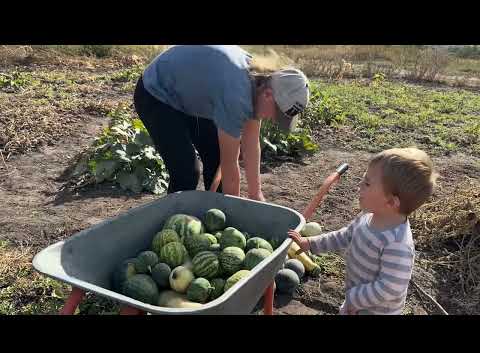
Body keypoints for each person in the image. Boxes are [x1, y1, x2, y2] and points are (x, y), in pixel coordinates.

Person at [133, 45, 309, 200]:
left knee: (215, 159)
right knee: (186, 173)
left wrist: (256, 194)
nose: (273, 118)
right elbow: (230, 164)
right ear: (268, 95)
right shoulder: (237, 94)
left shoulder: (259, 83)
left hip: (189, 92)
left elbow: (251, 144)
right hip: (157, 92)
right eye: (276, 113)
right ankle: (174, 222)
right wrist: (234, 215)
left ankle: (214, 214)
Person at [288, 148, 438, 315]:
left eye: (367, 183)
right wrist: (310, 243)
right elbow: (344, 236)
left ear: (391, 202)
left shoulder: (397, 244)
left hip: (376, 311)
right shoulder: (367, 217)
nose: (360, 184)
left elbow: (390, 288)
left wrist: (354, 299)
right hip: (357, 302)